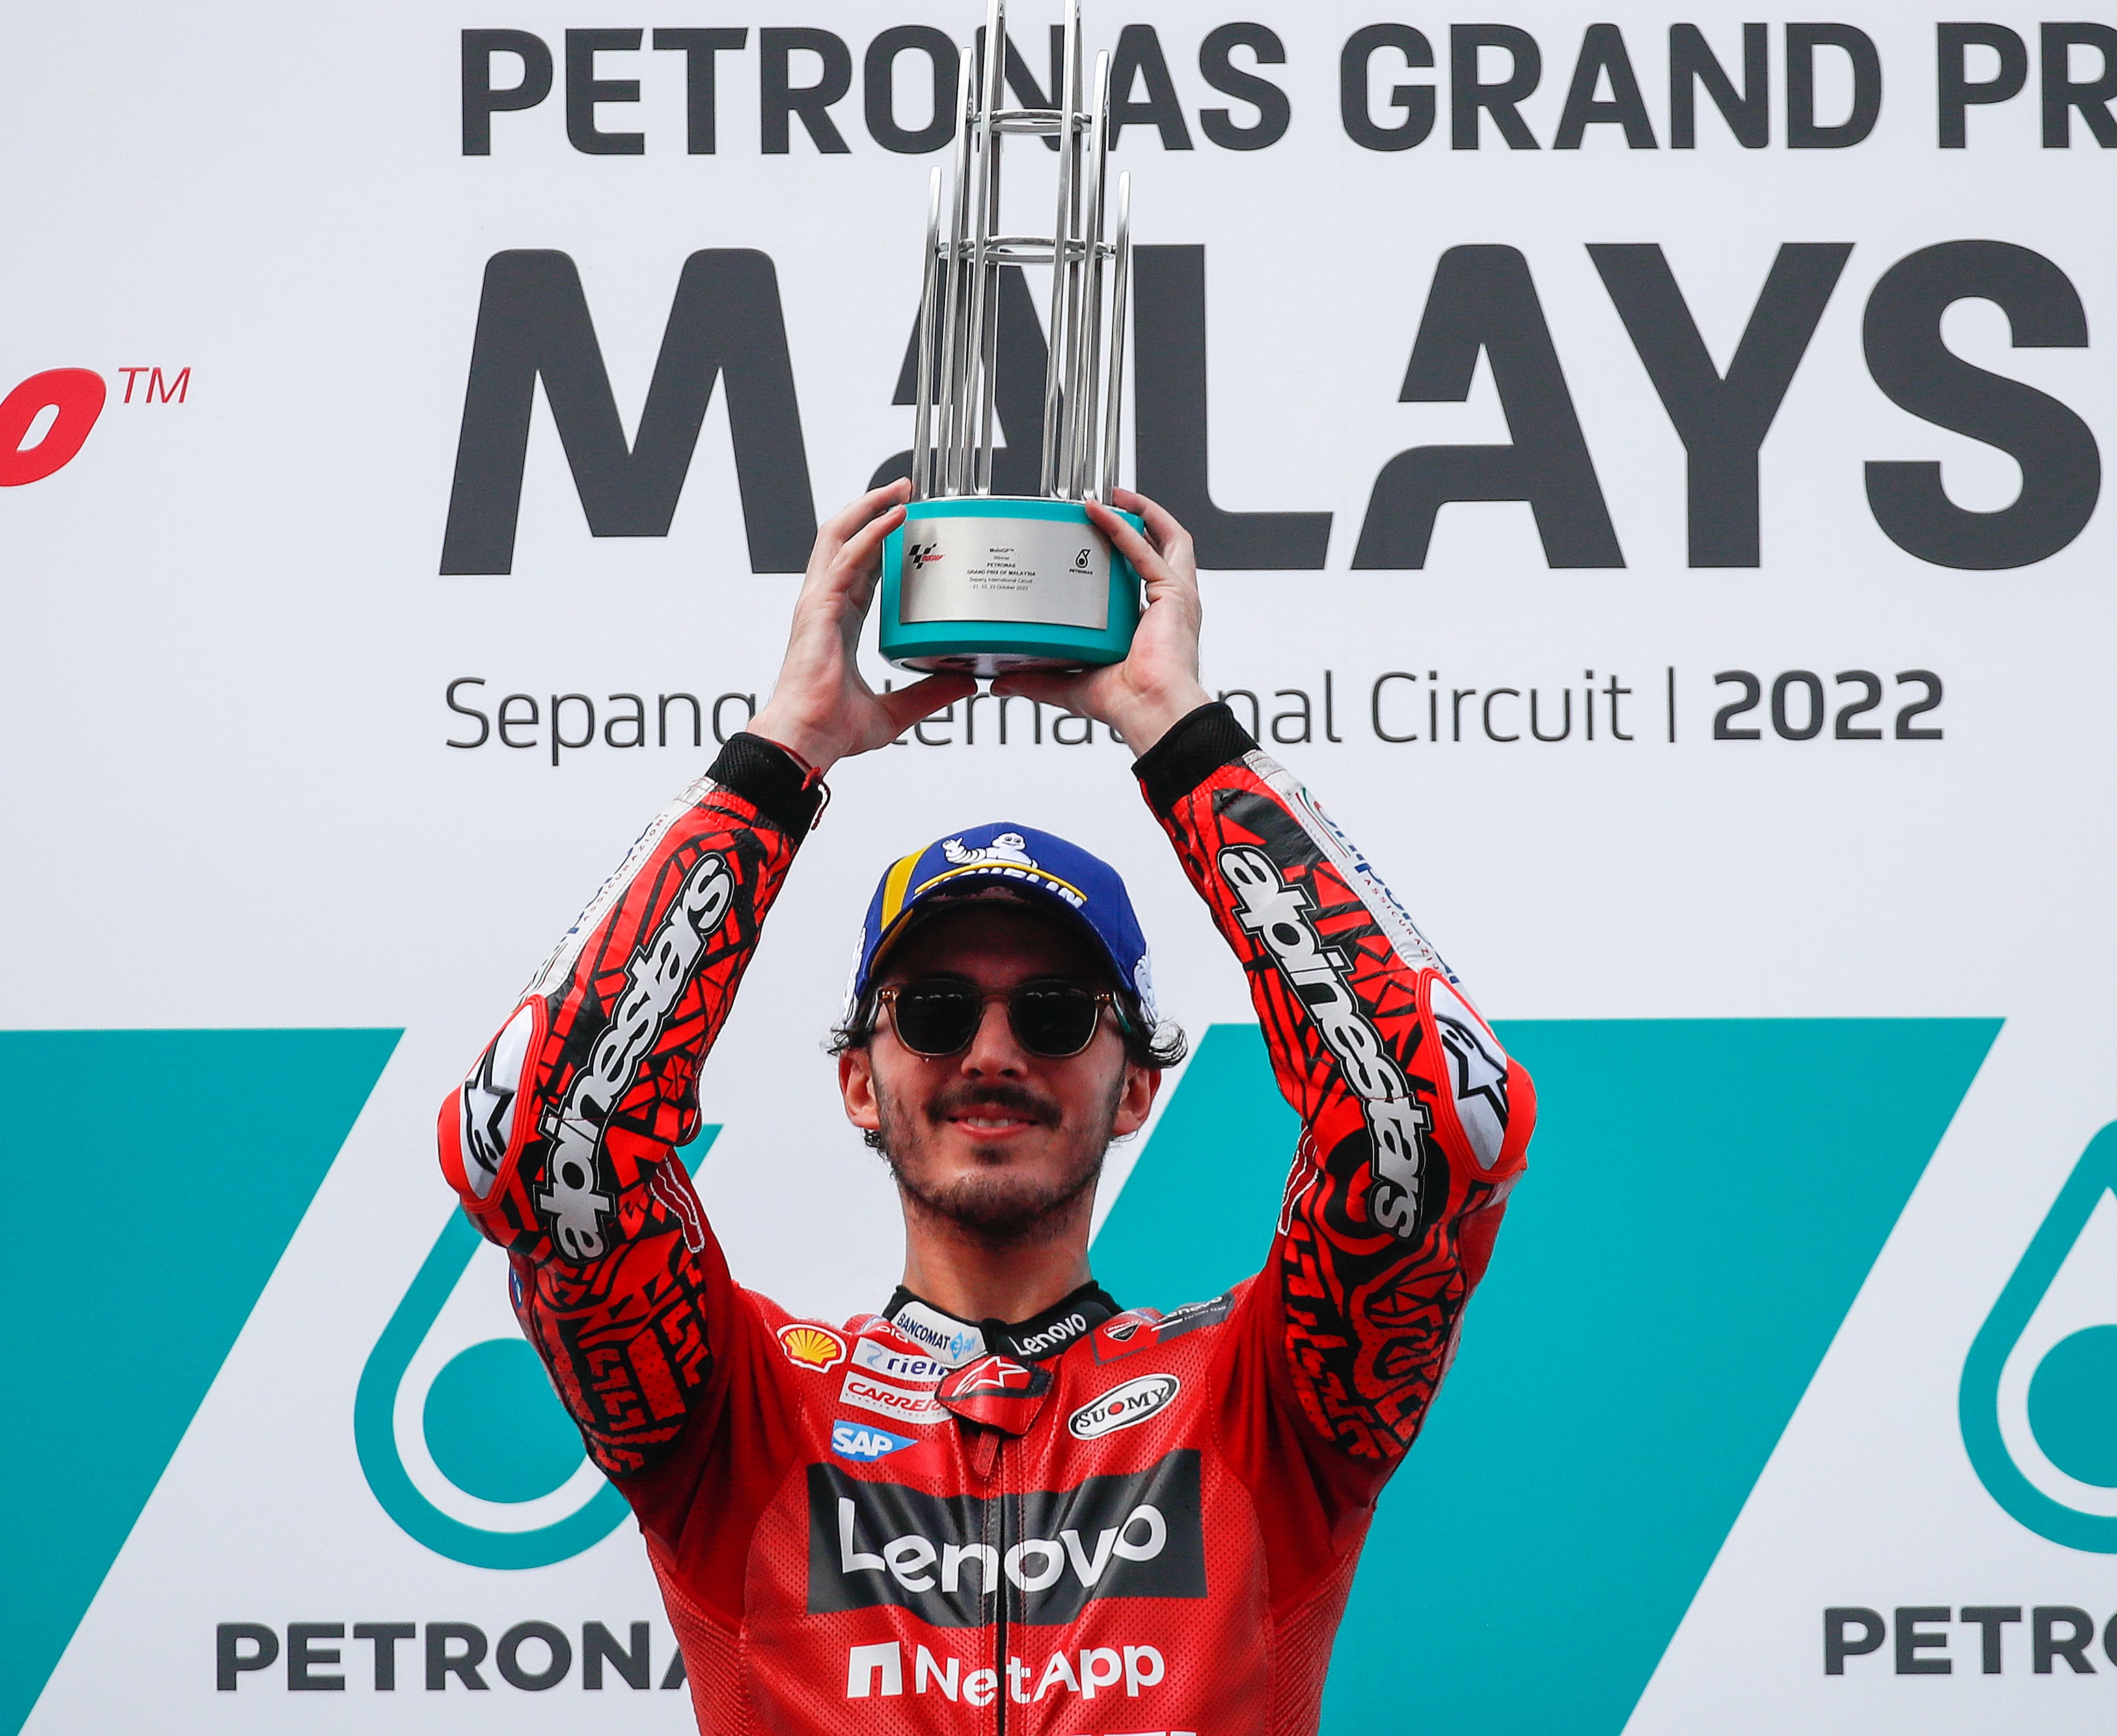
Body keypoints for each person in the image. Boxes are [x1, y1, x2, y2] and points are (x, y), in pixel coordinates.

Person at [437, 480, 1533, 1733]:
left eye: (1060, 1012)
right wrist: (779, 757)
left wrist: (1180, 735)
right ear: (861, 1077)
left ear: (1138, 1088)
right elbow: (533, 1139)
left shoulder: (1262, 1400)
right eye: (937, 1011)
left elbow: (1445, 1114)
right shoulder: (741, 1416)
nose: (994, 1052)